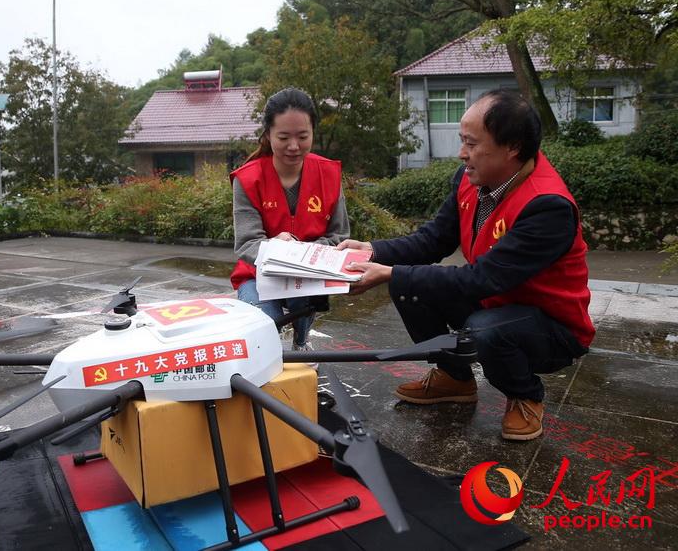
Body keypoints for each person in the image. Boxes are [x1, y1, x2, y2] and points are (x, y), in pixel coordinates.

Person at [338, 89, 594, 441]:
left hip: (550, 326)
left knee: (484, 328)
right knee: (411, 288)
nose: (462, 154)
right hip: (494, 302)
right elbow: (432, 241)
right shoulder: (471, 181)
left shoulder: (547, 207)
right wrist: (372, 251)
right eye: (462, 141)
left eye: (472, 144)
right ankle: (453, 376)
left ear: (513, 147)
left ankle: (525, 395)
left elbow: (482, 279)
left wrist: (392, 272)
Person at [230, 88, 350, 351]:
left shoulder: (328, 174)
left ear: (312, 134)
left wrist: (303, 253)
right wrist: (276, 248)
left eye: (303, 136)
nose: (294, 146)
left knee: (302, 303)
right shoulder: (248, 179)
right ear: (268, 135)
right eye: (283, 137)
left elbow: (340, 235)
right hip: (257, 274)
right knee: (263, 326)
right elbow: (247, 243)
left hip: (308, 275)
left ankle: (301, 342)